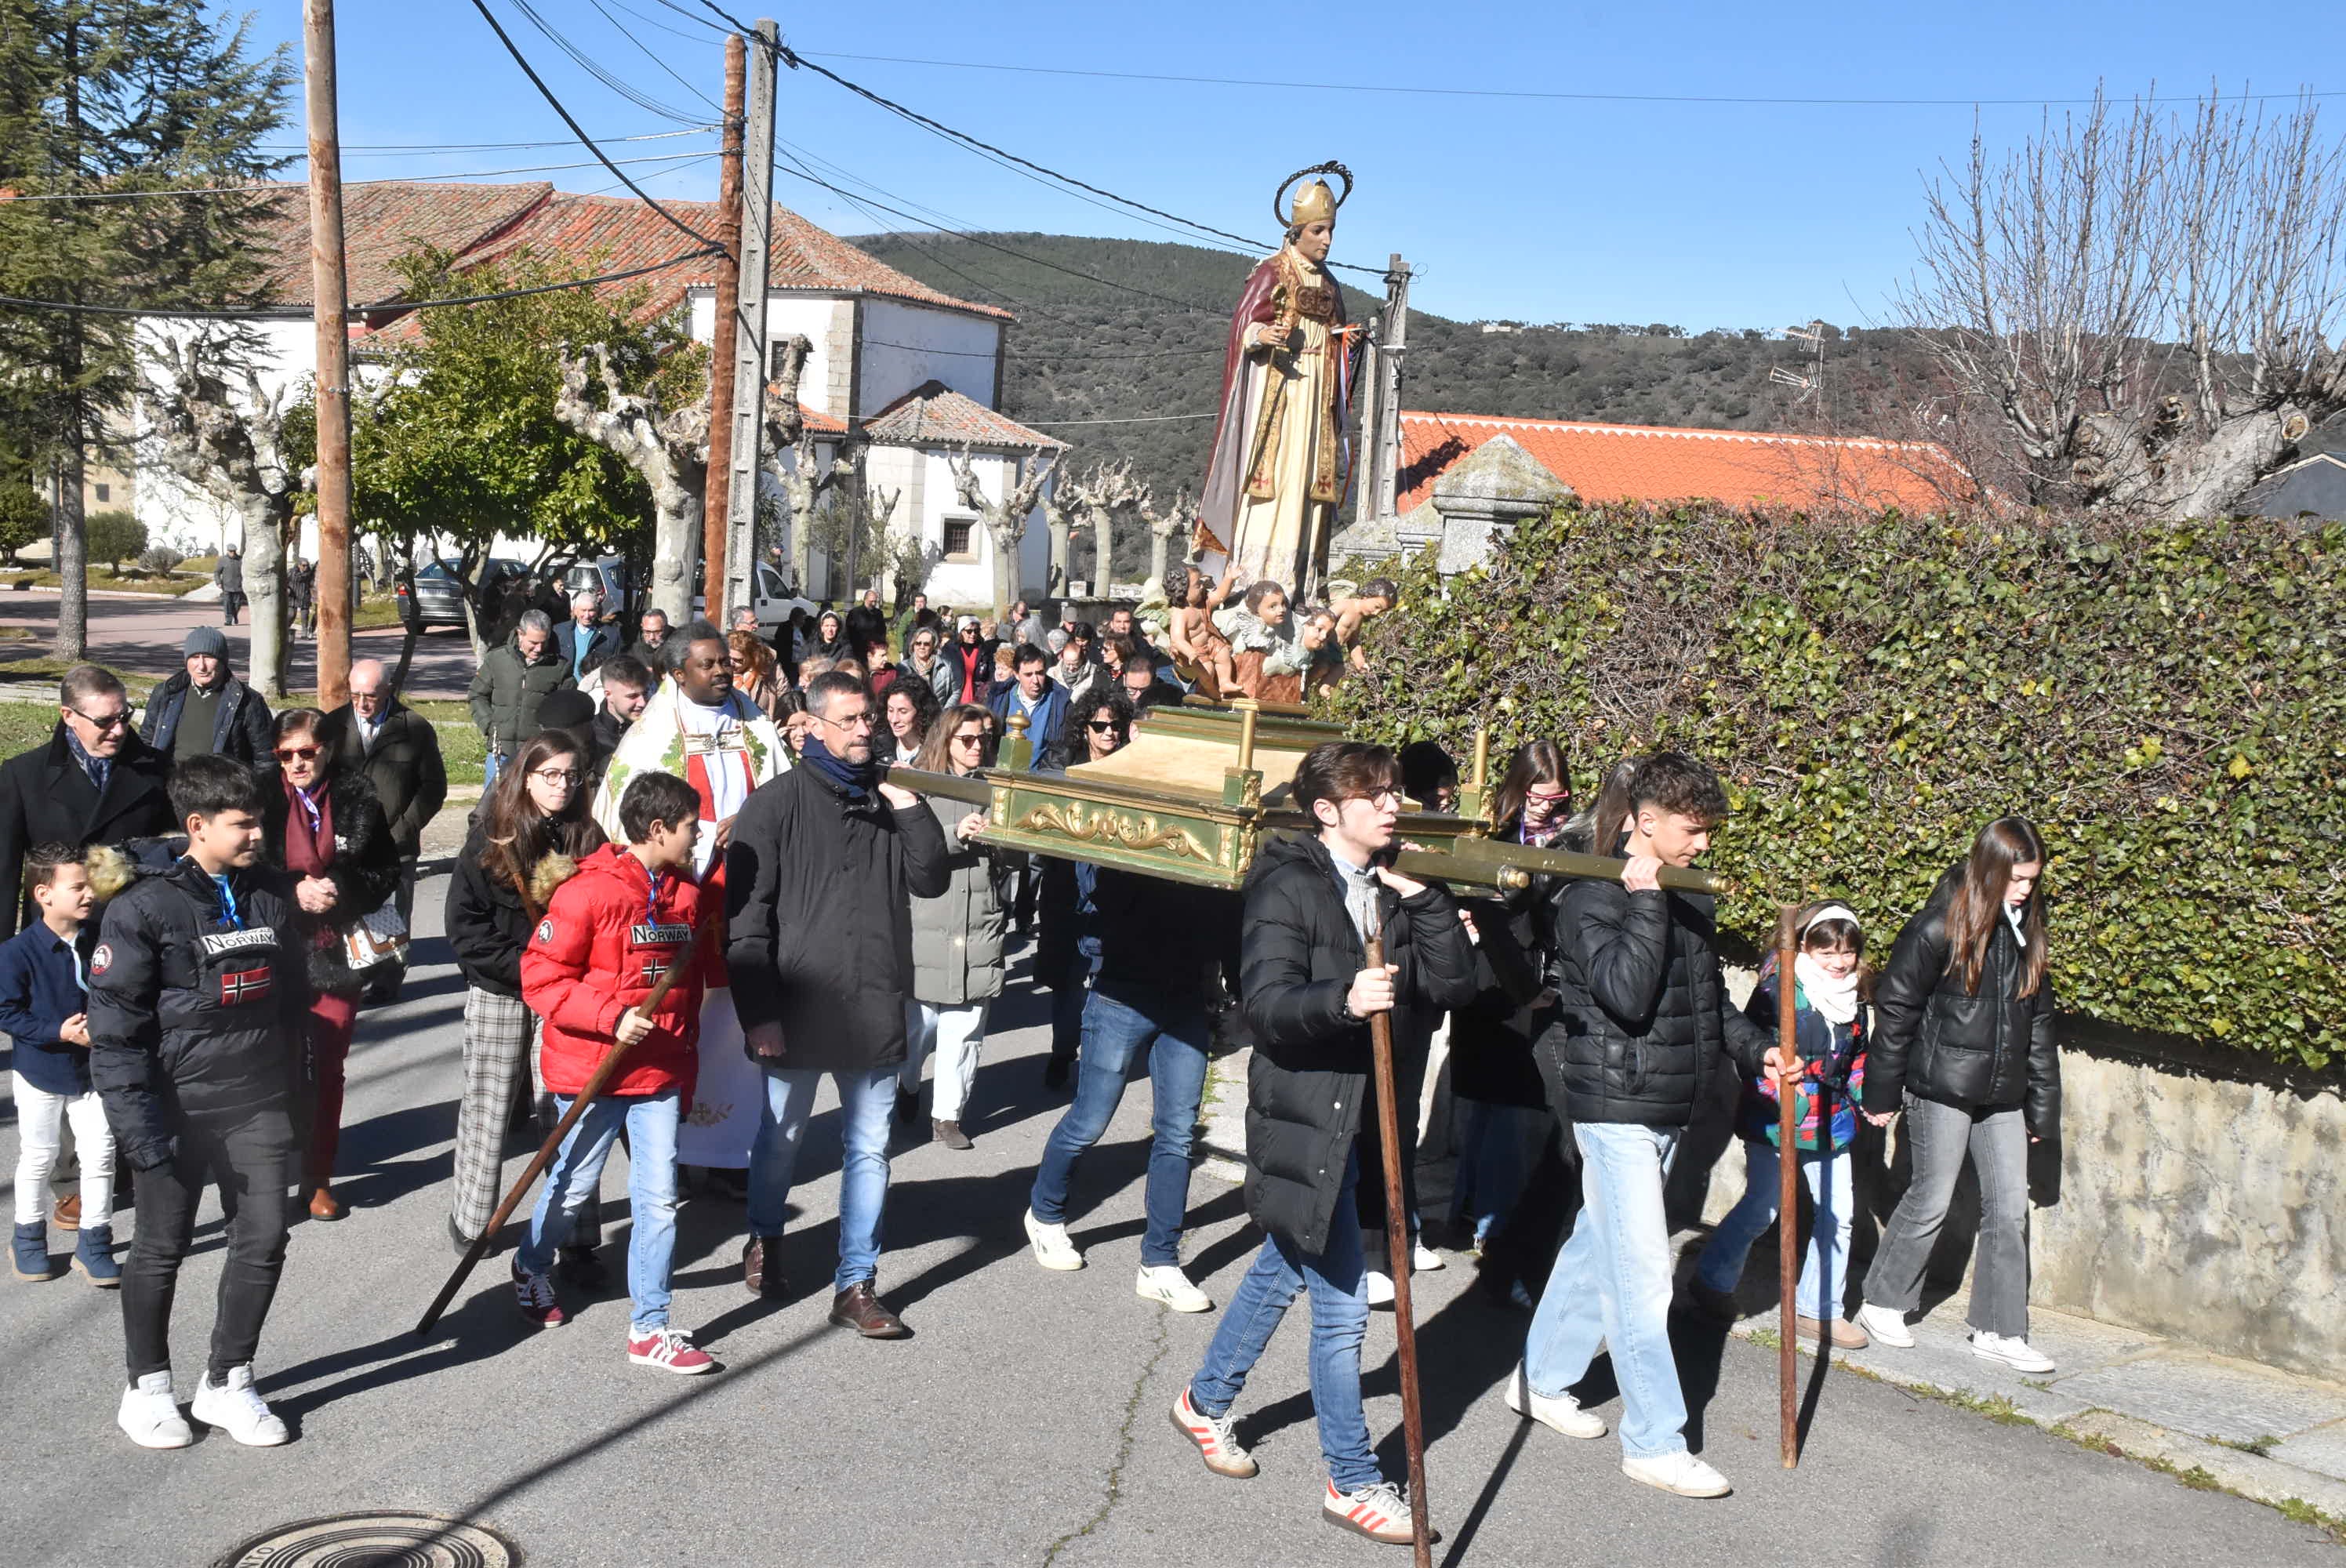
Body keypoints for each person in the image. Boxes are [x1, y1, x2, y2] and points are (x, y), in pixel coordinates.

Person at [1172, 741, 1475, 1543]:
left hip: (1371, 1117)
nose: (1391, 804)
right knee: (1341, 1309)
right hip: (1308, 1113)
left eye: (1393, 792)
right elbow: (1266, 1006)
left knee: (1283, 1264)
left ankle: (1203, 1401)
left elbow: (1456, 985)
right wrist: (1343, 997)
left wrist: (1427, 897)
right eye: (1372, 794)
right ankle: (1351, 1478)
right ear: (1325, 809)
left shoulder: (1396, 885)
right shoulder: (1286, 887)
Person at [1512, 750, 1796, 1501]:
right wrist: (1644, 901)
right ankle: (1655, 1440)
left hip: (1667, 1104)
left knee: (1593, 1247)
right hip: (1615, 1109)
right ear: (1645, 824)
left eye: (1708, 831)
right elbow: (1628, 997)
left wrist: (1759, 1050)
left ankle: (1540, 1381)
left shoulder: (1686, 895)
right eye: (1694, 830)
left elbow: (1710, 1004)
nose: (1705, 845)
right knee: (1640, 1280)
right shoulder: (1591, 897)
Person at [89, 753, 310, 1449]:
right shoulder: (141, 909)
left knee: (266, 1236)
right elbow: (115, 1035)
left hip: (258, 1102)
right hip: (172, 1109)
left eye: (258, 821)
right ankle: (147, 1388)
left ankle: (229, 1383)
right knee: (161, 1247)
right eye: (242, 824)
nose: (255, 834)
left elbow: (294, 1004)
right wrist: (141, 1135)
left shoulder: (272, 895)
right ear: (197, 826)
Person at [728, 672, 949, 1336]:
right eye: (850, 720)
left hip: (874, 999)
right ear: (813, 727)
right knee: (781, 1140)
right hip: (794, 1006)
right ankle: (766, 1235)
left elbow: (930, 878)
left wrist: (910, 808)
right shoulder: (775, 804)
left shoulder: (889, 797)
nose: (864, 730)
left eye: (868, 719)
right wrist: (758, 1012)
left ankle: (856, 1283)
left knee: (870, 1149)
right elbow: (746, 923)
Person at [510, 771, 715, 1372]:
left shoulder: (687, 895)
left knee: (659, 1200)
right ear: (657, 830)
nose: (696, 839)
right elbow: (540, 979)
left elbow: (688, 989)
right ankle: (530, 1265)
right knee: (572, 1187)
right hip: (592, 1069)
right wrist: (611, 1017)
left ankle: (649, 1328)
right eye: (689, 829)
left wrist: (687, 1069)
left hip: (658, 1074)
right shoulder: (587, 894)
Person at [1857, 816, 2061, 1373]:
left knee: (2008, 1208)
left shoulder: (2027, 937)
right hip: (1939, 1086)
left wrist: (2042, 1108)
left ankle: (2000, 1328)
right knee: (1933, 1196)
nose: (2025, 890)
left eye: (2032, 881)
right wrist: (1882, 1094)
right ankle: (1884, 1302)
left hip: (2002, 1096)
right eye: (2017, 879)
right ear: (1990, 871)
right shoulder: (1936, 928)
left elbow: (2039, 1028)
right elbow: (1896, 1011)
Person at [594, 626, 786, 1177]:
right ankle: (671, 1153)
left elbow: (781, 792)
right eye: (709, 665)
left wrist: (753, 824)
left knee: (737, 1018)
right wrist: (702, 834)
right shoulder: (653, 736)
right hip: (681, 898)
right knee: (680, 1017)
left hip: (747, 892)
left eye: (725, 662)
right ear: (678, 674)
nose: (724, 671)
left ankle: (732, 1154)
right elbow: (623, 816)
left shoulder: (753, 722)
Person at [1025, 862, 1236, 1310]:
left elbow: (1226, 915)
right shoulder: (1126, 836)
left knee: (1178, 1134)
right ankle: (1045, 1214)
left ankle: (1159, 1264)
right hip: (1120, 994)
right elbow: (1099, 895)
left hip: (1185, 1002)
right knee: (1089, 1122)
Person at [443, 731, 608, 1254]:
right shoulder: (491, 836)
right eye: (550, 775)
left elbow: (609, 918)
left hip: (566, 995)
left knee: (565, 1111)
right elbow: (464, 927)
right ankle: (473, 1224)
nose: (561, 785)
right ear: (526, 777)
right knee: (488, 1106)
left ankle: (575, 1237)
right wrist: (530, 970)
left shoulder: (590, 838)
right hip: (501, 989)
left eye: (570, 775)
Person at [1691, 900, 1879, 1348]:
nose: (1839, 963)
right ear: (1804, 948)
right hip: (1779, 1120)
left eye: (1847, 952)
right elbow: (1753, 1051)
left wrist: (1867, 1097)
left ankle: (1819, 1309)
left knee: (1839, 1216)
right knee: (1764, 1208)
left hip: (1831, 1122)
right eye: (1827, 952)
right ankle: (1711, 1282)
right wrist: (1784, 1096)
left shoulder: (1854, 996)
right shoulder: (1780, 990)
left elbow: (1857, 1059)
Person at [261, 708, 399, 1222]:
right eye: (286, 754)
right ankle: (267, 1177)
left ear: (327, 750)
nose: (296, 763)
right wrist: (293, 890)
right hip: (273, 951)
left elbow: (386, 869)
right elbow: (239, 870)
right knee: (273, 1067)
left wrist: (341, 890)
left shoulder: (358, 798)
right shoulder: (259, 799)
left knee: (328, 1068)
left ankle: (317, 1176)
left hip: (336, 951)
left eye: (306, 752)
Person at [1197, 169, 1353, 593]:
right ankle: (1255, 577)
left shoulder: (1332, 284)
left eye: (1331, 231)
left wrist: (1348, 344)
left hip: (1316, 399)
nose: (1327, 240)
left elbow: (1337, 333)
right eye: (1319, 231)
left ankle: (1298, 581)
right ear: (1297, 231)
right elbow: (1244, 326)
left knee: (1306, 486)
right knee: (1274, 481)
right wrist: (1259, 336)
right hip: (1280, 392)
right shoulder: (1273, 271)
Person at [1446, 743, 1569, 1260]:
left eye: (1557, 796)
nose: (1547, 807)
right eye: (1537, 797)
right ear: (1517, 789)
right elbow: (1476, 901)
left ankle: (1478, 1217)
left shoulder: (1570, 835)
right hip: (1494, 978)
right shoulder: (1489, 830)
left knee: (1505, 1109)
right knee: (1495, 1107)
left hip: (1528, 973)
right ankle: (1482, 1222)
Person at [5, 845, 118, 1286]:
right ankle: (28, 1239)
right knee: (40, 1155)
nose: (89, 893)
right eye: (77, 886)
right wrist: (59, 1031)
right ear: (43, 894)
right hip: (41, 1072)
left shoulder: (103, 940)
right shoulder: (17, 952)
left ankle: (94, 1243)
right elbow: (5, 1011)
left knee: (101, 1154)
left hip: (92, 1071)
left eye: (91, 883)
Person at [898, 704, 1009, 1149]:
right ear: (946, 739)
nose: (977, 746)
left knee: (964, 1029)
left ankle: (947, 1116)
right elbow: (908, 850)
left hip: (979, 920)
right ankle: (908, 1083)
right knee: (920, 1026)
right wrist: (952, 833)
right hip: (930, 920)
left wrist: (1002, 846)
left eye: (983, 738)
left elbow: (1017, 859)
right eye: (967, 739)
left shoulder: (997, 790)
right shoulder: (919, 788)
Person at [0, 666, 176, 940]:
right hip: (57, 937)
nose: (118, 730)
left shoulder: (159, 770)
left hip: (134, 934)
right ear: (69, 716)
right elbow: (5, 872)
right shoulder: (24, 775)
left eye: (124, 716)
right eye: (104, 721)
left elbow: (173, 855)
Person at [320, 659, 447, 1007]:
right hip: (344, 843)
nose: (362, 704)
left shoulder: (414, 728)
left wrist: (404, 828)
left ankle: (388, 982)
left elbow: (433, 788)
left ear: (388, 691)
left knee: (394, 914)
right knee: (345, 909)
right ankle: (349, 975)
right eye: (355, 695)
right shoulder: (332, 725)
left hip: (396, 842)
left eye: (370, 697)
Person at [137, 626, 274, 768]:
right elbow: (146, 742)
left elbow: (266, 757)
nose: (201, 666)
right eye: (195, 657)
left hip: (224, 786)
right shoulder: (166, 693)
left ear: (223, 661)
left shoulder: (247, 700)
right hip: (171, 783)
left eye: (209, 657)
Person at [468, 610, 576, 786]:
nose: (539, 649)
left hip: (537, 754)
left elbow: (567, 710)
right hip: (500, 753)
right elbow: (476, 694)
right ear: (520, 634)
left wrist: (549, 734)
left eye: (544, 642)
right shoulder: (497, 659)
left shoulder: (560, 668)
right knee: (493, 807)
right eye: (533, 643)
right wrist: (490, 725)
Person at [1164, 562, 1239, 699]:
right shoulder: (1180, 613)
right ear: (1182, 590)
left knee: (1224, 655)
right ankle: (1212, 692)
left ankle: (1225, 682)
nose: (1202, 587)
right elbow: (1177, 639)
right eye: (1197, 585)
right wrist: (1190, 652)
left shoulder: (1202, 602)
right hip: (1196, 652)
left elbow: (1220, 595)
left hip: (1211, 643)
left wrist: (1229, 578)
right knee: (1208, 671)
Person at [990, 645, 1066, 771]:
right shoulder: (1000, 698)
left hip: (1040, 781)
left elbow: (1061, 752)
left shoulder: (1060, 703)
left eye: (1040, 673)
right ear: (1016, 675)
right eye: (1028, 674)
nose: (1035, 680)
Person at [588, 654, 653, 789]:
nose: (642, 702)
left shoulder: (657, 731)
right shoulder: (589, 738)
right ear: (609, 695)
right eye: (632, 696)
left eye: (645, 693)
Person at [1044, 687, 1131, 774]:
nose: (1109, 732)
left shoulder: (1128, 760)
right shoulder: (1061, 758)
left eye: (1115, 725)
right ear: (1085, 727)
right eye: (1100, 726)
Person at [1331, 579, 1396, 673]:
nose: (1376, 613)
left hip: (1334, 653)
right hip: (1322, 647)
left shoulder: (1359, 618)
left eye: (1381, 611)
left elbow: (1353, 641)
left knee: (1337, 672)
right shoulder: (1347, 605)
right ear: (1366, 596)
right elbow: (1325, 617)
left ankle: (1321, 689)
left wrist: (1360, 661)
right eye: (1377, 607)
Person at [554, 590, 619, 684]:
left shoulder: (610, 635)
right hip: (565, 687)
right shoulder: (560, 631)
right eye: (583, 610)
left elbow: (615, 665)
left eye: (591, 610)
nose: (587, 615)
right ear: (575, 610)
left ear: (597, 611)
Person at [877, 677, 938, 768]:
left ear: (922, 712)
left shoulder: (937, 751)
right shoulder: (878, 747)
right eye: (890, 710)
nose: (894, 720)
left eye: (903, 711)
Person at [728, 629, 786, 719]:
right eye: (728, 658)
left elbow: (786, 699)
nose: (731, 663)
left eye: (738, 660)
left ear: (752, 658)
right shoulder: (718, 674)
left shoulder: (769, 669)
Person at [898, 624, 957, 706]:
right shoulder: (902, 668)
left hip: (938, 716)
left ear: (933, 646)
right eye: (918, 643)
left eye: (926, 644)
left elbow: (955, 692)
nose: (922, 647)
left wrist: (944, 713)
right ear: (913, 645)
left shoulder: (945, 666)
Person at [942, 615, 994, 706]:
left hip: (978, 698)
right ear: (961, 631)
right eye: (969, 631)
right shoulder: (950, 649)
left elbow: (991, 673)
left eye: (976, 631)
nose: (973, 634)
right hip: (955, 697)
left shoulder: (985, 650)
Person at [627, 607, 674, 672]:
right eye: (647, 632)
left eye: (657, 632)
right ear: (642, 627)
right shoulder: (633, 649)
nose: (652, 637)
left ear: (666, 628)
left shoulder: (678, 643)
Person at [212, 546, 245, 625]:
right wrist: (218, 582)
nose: (232, 553)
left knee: (237, 604)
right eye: (231, 551)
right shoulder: (223, 560)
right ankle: (228, 620)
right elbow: (217, 572)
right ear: (228, 551)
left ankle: (235, 616)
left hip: (238, 586)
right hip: (227, 586)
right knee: (227, 603)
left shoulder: (241, 560)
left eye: (234, 551)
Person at [287, 557, 314, 639]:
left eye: (307, 565)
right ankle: (285, 629)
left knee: (305, 616)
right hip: (293, 596)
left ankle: (304, 634)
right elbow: (285, 581)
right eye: (304, 565)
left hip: (304, 596)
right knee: (291, 615)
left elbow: (312, 583)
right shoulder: (291, 572)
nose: (306, 567)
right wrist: (287, 589)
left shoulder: (309, 574)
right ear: (299, 565)